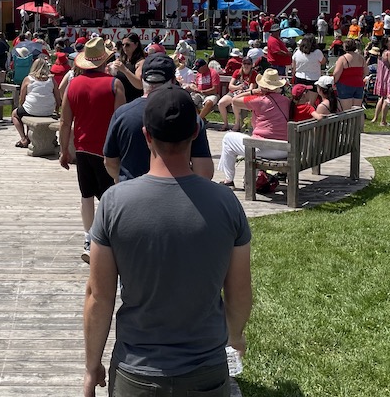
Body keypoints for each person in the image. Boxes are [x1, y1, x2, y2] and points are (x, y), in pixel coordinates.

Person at [83, 86, 252, 397]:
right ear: (194, 133)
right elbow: (240, 294)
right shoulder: (226, 204)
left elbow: (98, 296)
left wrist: (92, 366)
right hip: (207, 370)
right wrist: (235, 335)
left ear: (147, 136)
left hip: (135, 371)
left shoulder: (113, 203)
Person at [59, 37, 125, 262]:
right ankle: (110, 239)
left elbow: (65, 122)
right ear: (104, 60)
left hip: (82, 148)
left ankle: (89, 239)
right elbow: (120, 122)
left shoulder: (73, 84)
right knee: (112, 196)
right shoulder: (114, 84)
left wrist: (63, 151)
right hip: (108, 150)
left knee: (86, 196)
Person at [103, 53, 214, 182]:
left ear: (143, 79)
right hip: (180, 195)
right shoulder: (190, 116)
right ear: (173, 81)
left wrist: (125, 183)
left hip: (131, 194)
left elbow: (110, 162)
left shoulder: (122, 114)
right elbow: (204, 172)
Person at [218, 69, 292, 187]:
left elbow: (235, 100)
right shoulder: (286, 101)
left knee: (228, 138)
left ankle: (229, 179)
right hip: (284, 148)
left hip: (265, 148)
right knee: (242, 140)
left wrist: (252, 91)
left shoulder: (259, 101)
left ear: (263, 86)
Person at [12, 57, 60, 148]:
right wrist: (56, 109)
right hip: (48, 110)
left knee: (15, 114)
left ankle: (23, 138)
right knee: (29, 110)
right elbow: (58, 98)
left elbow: (22, 98)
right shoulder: (51, 80)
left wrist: (21, 105)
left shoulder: (28, 79)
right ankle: (51, 138)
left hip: (31, 109)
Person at [217, 56, 257, 131]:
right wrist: (238, 87)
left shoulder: (254, 74)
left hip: (244, 95)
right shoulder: (237, 72)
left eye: (248, 63)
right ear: (242, 64)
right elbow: (230, 86)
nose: (246, 65)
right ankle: (225, 124)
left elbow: (251, 88)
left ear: (251, 65)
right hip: (234, 92)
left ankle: (237, 123)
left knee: (235, 103)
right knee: (221, 103)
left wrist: (242, 91)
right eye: (244, 63)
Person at [332, 38, 367, 111]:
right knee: (356, 110)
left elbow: (336, 73)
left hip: (345, 85)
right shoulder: (361, 58)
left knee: (346, 111)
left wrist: (333, 83)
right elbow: (366, 72)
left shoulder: (343, 58)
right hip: (359, 85)